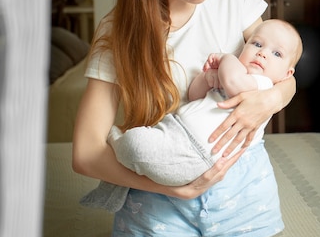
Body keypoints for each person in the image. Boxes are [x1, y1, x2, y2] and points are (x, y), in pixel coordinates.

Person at [72, 0, 296, 237]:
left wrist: (270, 101)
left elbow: (281, 66)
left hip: (239, 180)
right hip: (160, 189)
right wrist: (173, 188)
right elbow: (86, 152)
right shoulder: (119, 33)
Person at [80, 18, 302, 211]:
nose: (262, 53)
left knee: (135, 145)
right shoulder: (236, 74)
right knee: (139, 147)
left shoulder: (263, 84)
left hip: (197, 154)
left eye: (276, 53)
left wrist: (226, 59)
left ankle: (117, 141)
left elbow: (235, 83)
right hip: (176, 133)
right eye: (256, 44)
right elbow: (195, 95)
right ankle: (124, 155)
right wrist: (206, 79)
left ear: (287, 74)